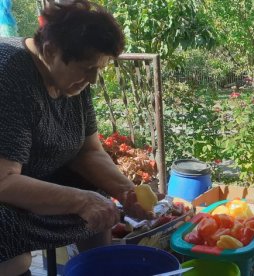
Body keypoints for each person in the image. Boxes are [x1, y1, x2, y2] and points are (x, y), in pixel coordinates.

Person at [0, 1, 158, 275]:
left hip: (30, 174)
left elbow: (88, 152)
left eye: (100, 69)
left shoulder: (74, 79)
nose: (94, 79)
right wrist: (80, 201)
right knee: (9, 245)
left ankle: (99, 269)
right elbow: (3, 181)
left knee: (98, 199)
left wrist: (126, 192)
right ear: (50, 50)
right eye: (88, 68)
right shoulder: (9, 75)